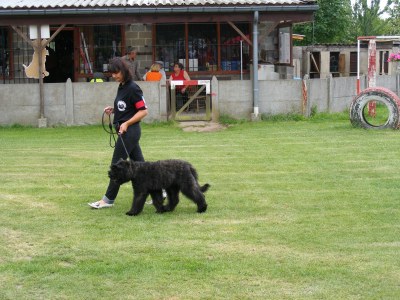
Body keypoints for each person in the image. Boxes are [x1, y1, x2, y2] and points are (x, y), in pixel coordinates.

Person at [89, 57, 148, 209]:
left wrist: (127, 123)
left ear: (124, 71)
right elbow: (127, 107)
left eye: (116, 73)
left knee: (117, 165)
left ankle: (108, 199)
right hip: (126, 132)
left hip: (130, 132)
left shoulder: (133, 88)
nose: (114, 76)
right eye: (112, 73)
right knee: (140, 166)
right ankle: (160, 192)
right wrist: (114, 110)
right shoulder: (122, 86)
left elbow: (143, 111)